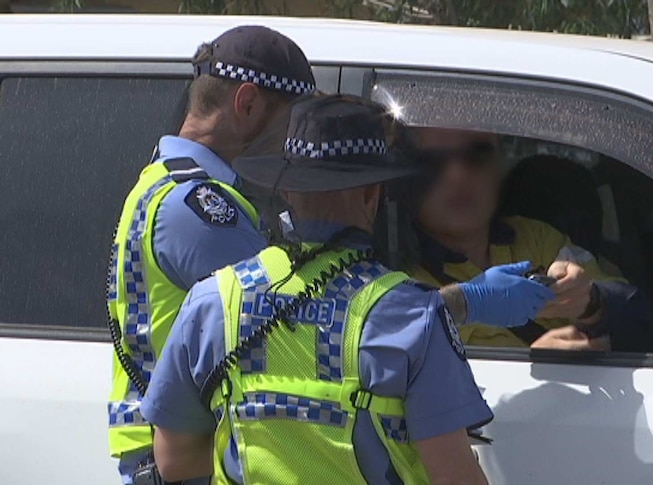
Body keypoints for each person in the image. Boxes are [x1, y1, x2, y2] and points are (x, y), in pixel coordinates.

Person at [139, 94, 556, 484]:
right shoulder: (412, 315)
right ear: (373, 195)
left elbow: (174, 459)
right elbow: (454, 476)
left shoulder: (214, 300)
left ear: (287, 190)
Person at [107, 25, 316, 484]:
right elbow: (302, 322)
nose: (296, 143)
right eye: (293, 123)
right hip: (185, 461)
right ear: (246, 104)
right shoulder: (199, 208)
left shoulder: (170, 183)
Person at [409, 127, 653, 352]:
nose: (458, 175)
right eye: (435, 161)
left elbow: (639, 318)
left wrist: (592, 303)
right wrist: (526, 370)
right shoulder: (400, 282)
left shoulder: (536, 237)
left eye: (476, 154)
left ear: (498, 165)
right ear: (409, 177)